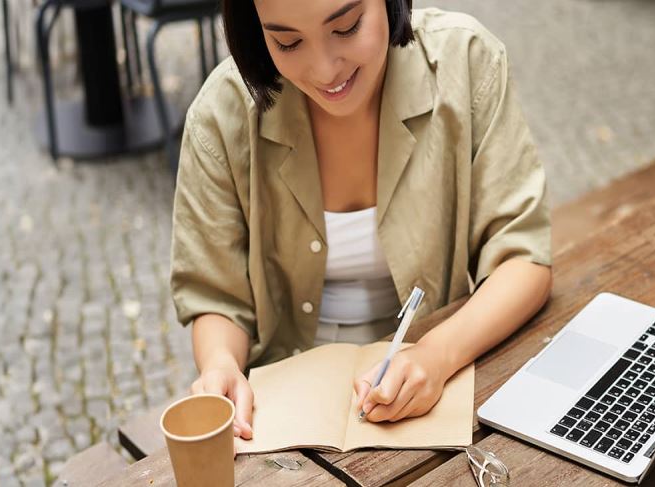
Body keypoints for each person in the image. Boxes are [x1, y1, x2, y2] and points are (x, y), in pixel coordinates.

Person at [170, 0, 552, 440]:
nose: (324, 70)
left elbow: (523, 258)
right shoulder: (222, 115)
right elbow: (216, 297)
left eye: (347, 27)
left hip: (433, 384)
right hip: (283, 409)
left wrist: (436, 354)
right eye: (287, 41)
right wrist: (221, 364)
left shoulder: (466, 62)